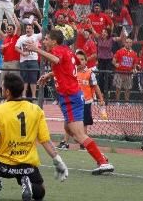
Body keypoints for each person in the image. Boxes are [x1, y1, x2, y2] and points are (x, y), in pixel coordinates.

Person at [24, 29, 114, 174]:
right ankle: (100, 157)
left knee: (78, 135)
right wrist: (50, 74)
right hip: (72, 96)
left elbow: (56, 60)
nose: (44, 41)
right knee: (68, 129)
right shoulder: (68, 51)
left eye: (46, 39)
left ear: (54, 41)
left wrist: (36, 49)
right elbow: (74, 65)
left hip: (70, 97)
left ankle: (102, 162)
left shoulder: (58, 50)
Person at [0, 73, 69, 201]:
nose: (1, 89)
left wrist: (0, 153)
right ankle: (28, 183)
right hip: (27, 166)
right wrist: (58, 160)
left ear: (7, 92)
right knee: (40, 192)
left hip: (4, 165)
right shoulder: (36, 110)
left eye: (2, 87)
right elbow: (45, 140)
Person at [58, 50, 105, 150]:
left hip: (86, 102)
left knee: (84, 123)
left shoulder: (89, 73)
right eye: (78, 60)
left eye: (82, 59)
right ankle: (64, 142)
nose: (80, 62)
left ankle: (84, 143)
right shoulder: (71, 72)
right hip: (73, 101)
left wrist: (101, 99)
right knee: (69, 121)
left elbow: (96, 86)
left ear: (86, 61)